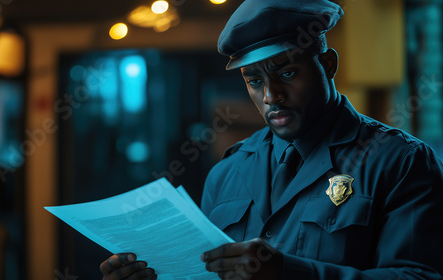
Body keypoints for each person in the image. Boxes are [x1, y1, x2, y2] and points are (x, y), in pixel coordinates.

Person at [100, 0, 443, 279]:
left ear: (327, 64)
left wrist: (288, 274)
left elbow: (420, 277)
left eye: (287, 73)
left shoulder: (399, 160)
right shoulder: (227, 172)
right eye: (254, 80)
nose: (271, 96)